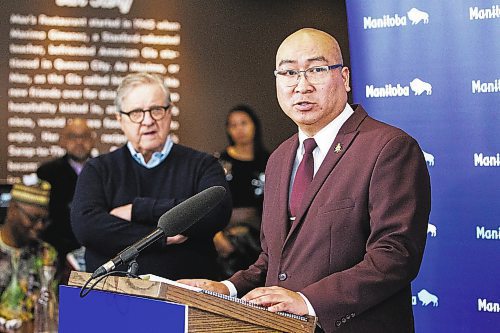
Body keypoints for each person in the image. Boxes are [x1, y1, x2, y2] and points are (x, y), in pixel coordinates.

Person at [180, 28, 431, 332]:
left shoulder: (388, 147)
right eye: (288, 72)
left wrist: (307, 301)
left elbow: (395, 255)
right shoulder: (279, 158)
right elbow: (273, 260)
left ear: (345, 78)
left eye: (316, 70)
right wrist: (228, 289)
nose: (302, 86)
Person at [71, 72, 232, 280]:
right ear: (120, 119)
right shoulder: (98, 169)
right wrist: (162, 236)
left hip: (186, 298)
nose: (147, 121)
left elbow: (215, 212)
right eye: (136, 113)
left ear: (169, 113)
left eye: (156, 110)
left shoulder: (203, 164)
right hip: (113, 296)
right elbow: (87, 227)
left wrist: (136, 210)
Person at [213, 105, 269, 278]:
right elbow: (209, 204)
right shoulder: (220, 163)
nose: (239, 129)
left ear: (254, 125)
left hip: (261, 242)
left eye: (243, 123)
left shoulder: (269, 161)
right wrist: (217, 237)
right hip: (228, 240)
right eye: (233, 125)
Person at [37, 118, 95, 277]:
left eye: (84, 136)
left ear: (93, 140)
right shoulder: (47, 172)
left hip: (96, 254)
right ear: (62, 141)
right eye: (72, 137)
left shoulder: (106, 171)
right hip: (58, 254)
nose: (79, 142)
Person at [0, 174, 57, 330]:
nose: (39, 226)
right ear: (12, 209)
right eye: (33, 218)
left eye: (44, 220)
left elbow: (50, 310)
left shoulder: (46, 254)